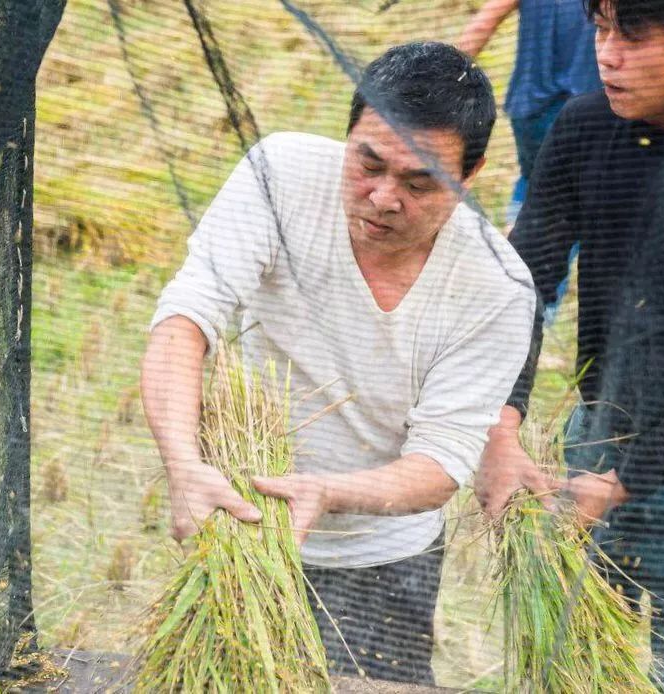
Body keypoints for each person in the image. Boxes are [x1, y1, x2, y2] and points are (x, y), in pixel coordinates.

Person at [140, 42, 535, 685]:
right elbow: (186, 321)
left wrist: (327, 493)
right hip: (243, 526)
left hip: (383, 555)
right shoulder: (281, 175)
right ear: (347, 134)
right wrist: (185, 468)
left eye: (419, 182)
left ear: (471, 175)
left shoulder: (496, 288)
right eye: (368, 164)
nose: (382, 198)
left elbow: (440, 464)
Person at [475, 0, 664, 691]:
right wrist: (502, 426)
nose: (605, 53)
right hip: (592, 440)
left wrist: (622, 481)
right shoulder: (580, 129)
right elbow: (522, 283)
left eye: (631, 36)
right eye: (600, 30)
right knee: (564, 663)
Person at [457, 0, 601, 311]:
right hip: (585, 113)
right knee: (570, 210)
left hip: (530, 110)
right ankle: (528, 308)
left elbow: (487, 18)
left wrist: (445, 75)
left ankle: (510, 268)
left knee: (534, 184)